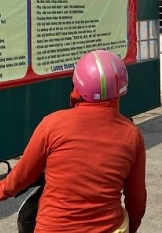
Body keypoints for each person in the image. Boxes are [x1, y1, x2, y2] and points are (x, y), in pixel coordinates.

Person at [0, 50, 147, 233]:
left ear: (77, 85)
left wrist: (2, 190)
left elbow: (21, 177)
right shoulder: (132, 135)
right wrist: (132, 228)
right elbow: (137, 199)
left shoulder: (52, 124)